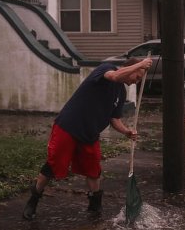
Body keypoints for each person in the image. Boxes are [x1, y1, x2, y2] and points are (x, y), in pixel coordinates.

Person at [22, 57, 152, 220]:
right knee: (54, 164)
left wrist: (126, 131)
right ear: (130, 68)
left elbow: (114, 119)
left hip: (90, 134)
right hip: (69, 126)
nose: (136, 82)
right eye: (137, 77)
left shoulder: (121, 92)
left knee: (93, 170)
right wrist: (141, 64)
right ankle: (33, 200)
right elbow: (114, 76)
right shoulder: (106, 68)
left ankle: (95, 206)